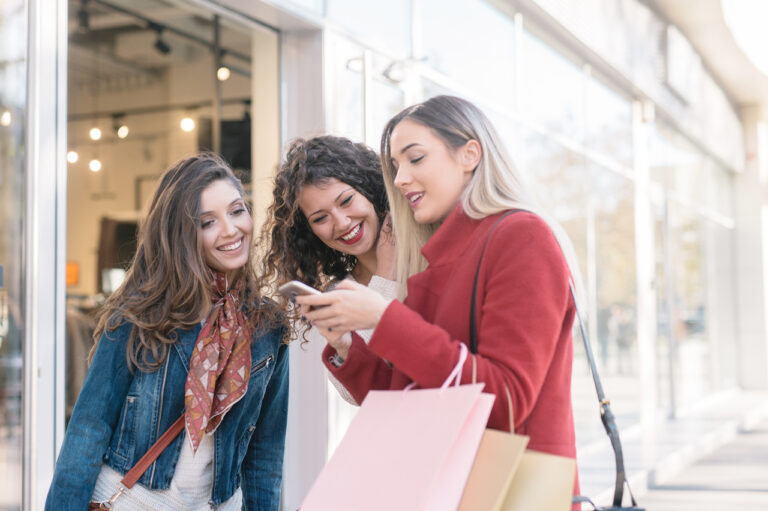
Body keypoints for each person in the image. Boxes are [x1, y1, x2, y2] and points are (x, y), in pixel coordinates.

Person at [297, 96, 584, 472]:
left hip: (510, 486)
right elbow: (409, 402)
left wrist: (385, 320)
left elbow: (507, 403)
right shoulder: (439, 258)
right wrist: (348, 347)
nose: (399, 180)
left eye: (415, 159)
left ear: (470, 155)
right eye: (395, 166)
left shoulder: (522, 236)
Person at [46, 153, 289, 510]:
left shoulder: (267, 326)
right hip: (134, 500)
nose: (231, 230)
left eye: (237, 211)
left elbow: (265, 455)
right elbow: (87, 431)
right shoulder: (139, 314)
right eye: (208, 222)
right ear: (182, 234)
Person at [259, 135, 396, 404]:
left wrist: (386, 279)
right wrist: (384, 278)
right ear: (309, 232)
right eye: (320, 218)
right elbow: (356, 396)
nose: (342, 222)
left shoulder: (424, 253)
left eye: (346, 201)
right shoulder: (338, 292)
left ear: (368, 187)